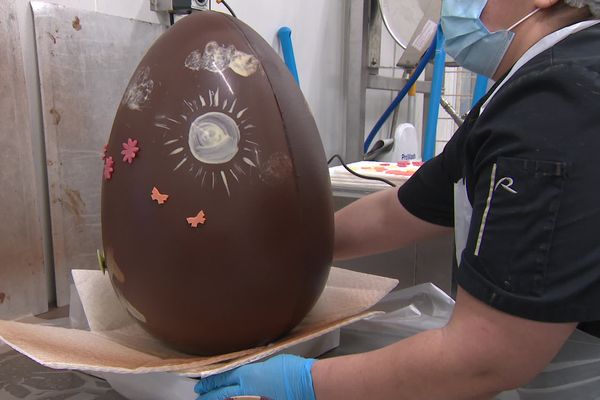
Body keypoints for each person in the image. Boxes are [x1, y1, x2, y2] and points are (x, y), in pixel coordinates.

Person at [195, 0, 600, 398]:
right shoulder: (527, 90)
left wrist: (306, 383)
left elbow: (487, 355)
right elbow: (397, 211)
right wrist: (281, 246)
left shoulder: (559, 103)